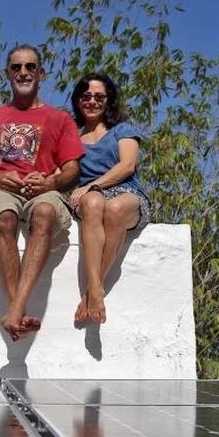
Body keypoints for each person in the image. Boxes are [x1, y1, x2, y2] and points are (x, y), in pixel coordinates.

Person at [0, 45, 85, 341]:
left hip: (43, 189)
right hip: (1, 190)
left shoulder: (60, 120)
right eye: (17, 67)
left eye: (30, 67)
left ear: (40, 73)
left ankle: (15, 312)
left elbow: (72, 170)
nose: (23, 72)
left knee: (45, 213)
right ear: (7, 73)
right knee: (4, 218)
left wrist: (50, 184)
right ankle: (17, 310)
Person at [68, 73, 153, 324]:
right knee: (94, 203)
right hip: (89, 197)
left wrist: (92, 185)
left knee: (114, 208)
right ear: (78, 99)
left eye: (99, 96)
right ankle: (96, 291)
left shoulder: (122, 129)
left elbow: (127, 166)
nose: (92, 101)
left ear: (108, 100)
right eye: (86, 96)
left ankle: (94, 290)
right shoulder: (72, 135)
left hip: (126, 193)